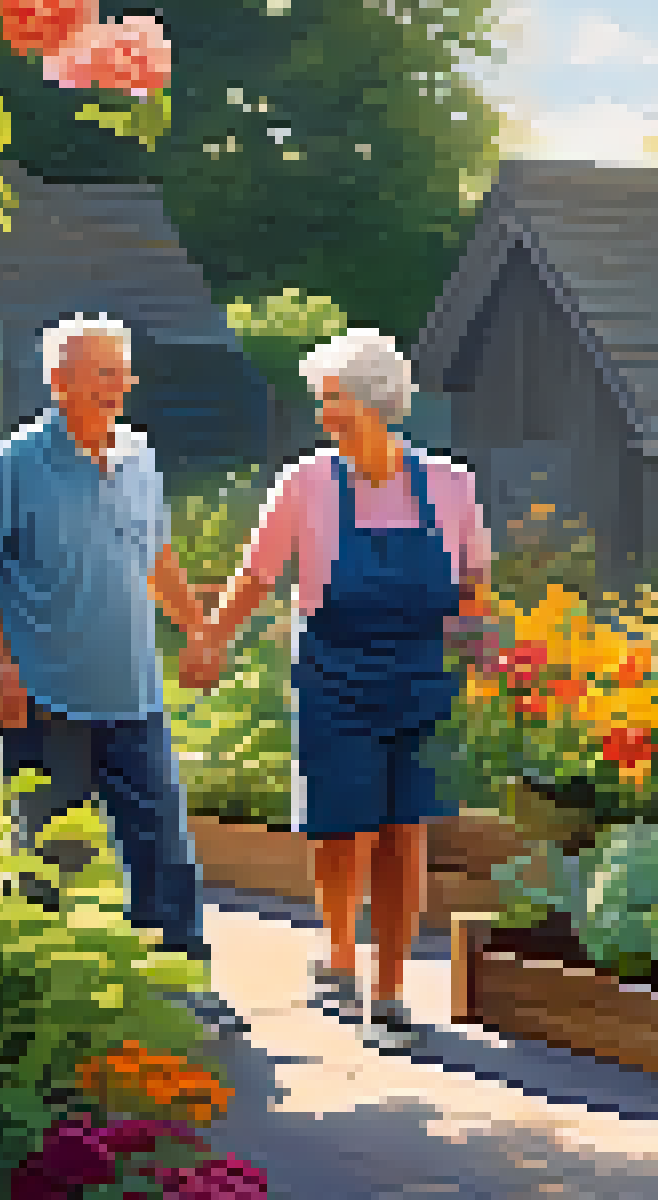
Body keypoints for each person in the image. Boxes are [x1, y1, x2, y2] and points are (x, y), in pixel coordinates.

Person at [184, 328, 494, 1053]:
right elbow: (258, 575)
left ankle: (388, 992)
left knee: (404, 829)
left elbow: (474, 588)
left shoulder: (450, 485)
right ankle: (338, 953)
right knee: (339, 825)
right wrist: (214, 639)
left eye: (336, 402)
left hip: (422, 676)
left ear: (378, 403)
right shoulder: (306, 483)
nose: (325, 415)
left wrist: (486, 670)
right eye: (323, 402)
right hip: (333, 672)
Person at [0, 314, 245, 1038]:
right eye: (105, 372)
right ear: (60, 382)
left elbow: (158, 559)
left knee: (163, 847)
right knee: (51, 850)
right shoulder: (19, 459)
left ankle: (182, 985)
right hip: (45, 695)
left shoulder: (140, 454)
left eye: (124, 371)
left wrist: (201, 629)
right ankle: (35, 1001)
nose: (122, 385)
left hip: (133, 695)